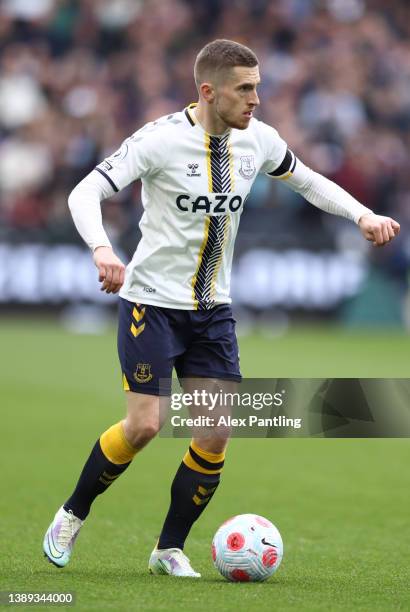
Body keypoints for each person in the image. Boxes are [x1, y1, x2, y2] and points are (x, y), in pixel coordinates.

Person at [42, 39, 400, 577]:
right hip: (153, 304)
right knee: (144, 426)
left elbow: (308, 181)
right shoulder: (159, 140)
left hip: (213, 310)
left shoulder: (258, 139)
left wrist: (361, 215)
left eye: (258, 86)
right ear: (208, 92)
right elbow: (83, 194)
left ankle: (168, 549)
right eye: (245, 89)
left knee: (213, 433)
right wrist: (101, 249)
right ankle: (72, 513)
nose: (256, 99)